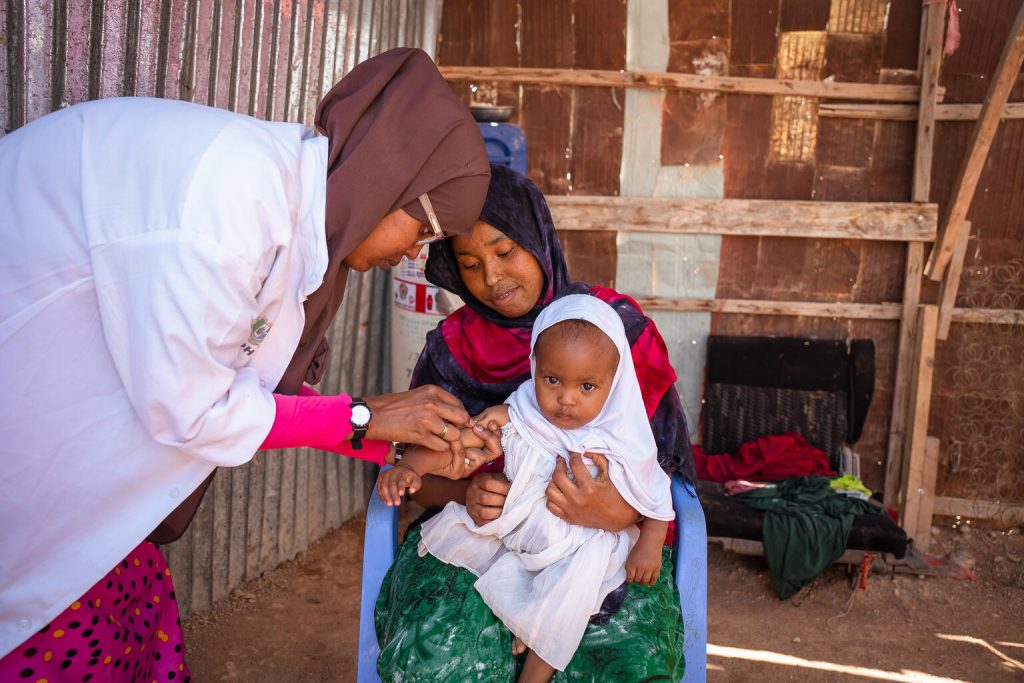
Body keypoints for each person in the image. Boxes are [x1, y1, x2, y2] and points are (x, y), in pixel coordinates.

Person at [0, 47, 494, 680]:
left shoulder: (291, 210)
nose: (408, 257)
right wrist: (369, 418)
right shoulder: (232, 207)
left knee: (124, 598)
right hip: (36, 422)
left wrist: (388, 442)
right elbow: (200, 411)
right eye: (420, 234)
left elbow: (242, 396)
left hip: (80, 437)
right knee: (63, 627)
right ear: (388, 183)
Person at [373, 164, 697, 681]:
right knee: (438, 656)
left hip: (603, 546)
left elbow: (664, 469)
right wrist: (464, 494)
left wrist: (614, 513)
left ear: (538, 239)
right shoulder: (452, 350)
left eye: (505, 251)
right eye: (470, 263)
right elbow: (417, 477)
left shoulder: (616, 333)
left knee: (627, 663)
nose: (493, 277)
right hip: (478, 532)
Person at [379, 295, 675, 682]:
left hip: (579, 548)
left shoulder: (620, 438)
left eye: (587, 386)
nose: (566, 398)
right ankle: (521, 621)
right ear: (534, 367)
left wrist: (650, 544)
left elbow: (656, 494)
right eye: (552, 380)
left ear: (613, 384)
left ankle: (533, 673)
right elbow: (462, 445)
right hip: (515, 534)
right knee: (486, 570)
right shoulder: (518, 415)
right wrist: (412, 466)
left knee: (566, 601)